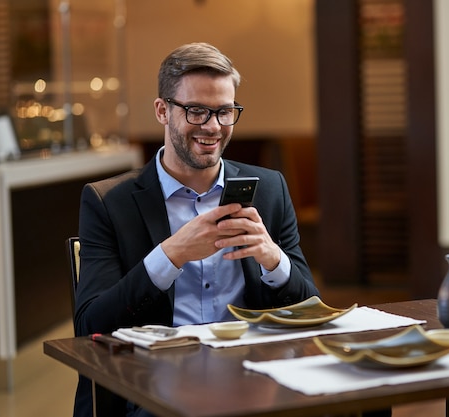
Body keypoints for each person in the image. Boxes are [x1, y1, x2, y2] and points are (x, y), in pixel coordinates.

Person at [72, 42, 320, 417]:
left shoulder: (269, 189)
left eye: (224, 112)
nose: (213, 127)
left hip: (252, 376)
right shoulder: (109, 202)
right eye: (196, 111)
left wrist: (273, 260)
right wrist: (172, 254)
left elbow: (310, 308)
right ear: (162, 111)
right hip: (152, 382)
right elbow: (91, 323)